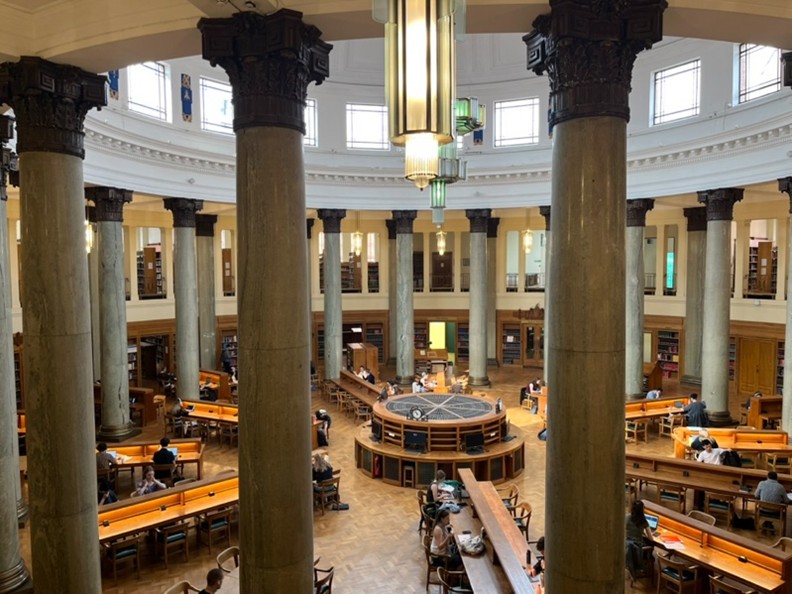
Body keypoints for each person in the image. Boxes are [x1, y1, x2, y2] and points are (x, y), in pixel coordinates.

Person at [625, 500, 653, 578]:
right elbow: (651, 539)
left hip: (627, 543)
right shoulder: (643, 520)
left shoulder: (627, 517)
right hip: (638, 544)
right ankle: (646, 563)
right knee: (651, 546)